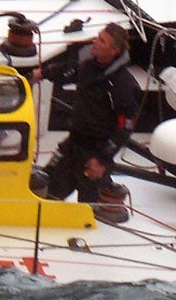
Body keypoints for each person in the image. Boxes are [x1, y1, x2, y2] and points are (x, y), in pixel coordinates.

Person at [32, 22, 141, 211]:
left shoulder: (123, 84)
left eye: (102, 40)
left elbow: (125, 127)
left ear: (114, 51)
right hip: (73, 144)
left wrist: (102, 160)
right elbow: (69, 70)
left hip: (95, 154)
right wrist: (42, 73)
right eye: (97, 37)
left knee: (90, 210)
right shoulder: (88, 64)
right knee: (46, 190)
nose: (95, 42)